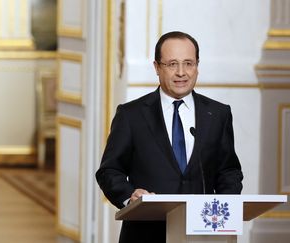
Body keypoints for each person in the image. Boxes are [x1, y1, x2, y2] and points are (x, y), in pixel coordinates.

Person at [95, 31, 243, 243]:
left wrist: (224, 208)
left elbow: (228, 171)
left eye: (188, 63)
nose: (181, 72)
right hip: (146, 233)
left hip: (202, 233)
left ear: (197, 66)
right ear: (157, 67)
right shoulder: (131, 115)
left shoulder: (218, 114)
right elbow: (109, 170)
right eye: (172, 64)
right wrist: (131, 197)